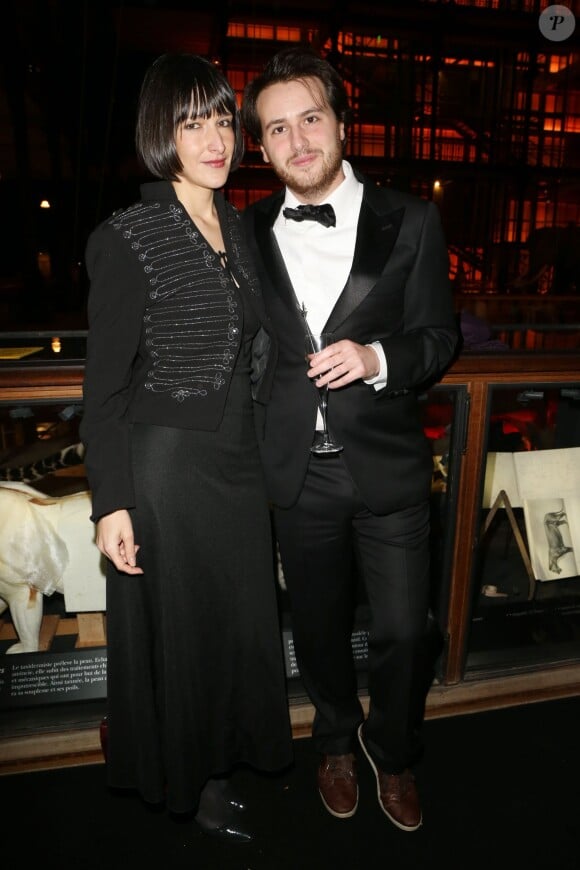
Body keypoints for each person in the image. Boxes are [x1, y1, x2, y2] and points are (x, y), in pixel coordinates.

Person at [241, 46, 459, 832]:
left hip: (390, 465)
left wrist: (378, 358)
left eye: (309, 118)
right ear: (260, 147)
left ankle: (392, 750)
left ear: (339, 121)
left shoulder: (415, 218)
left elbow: (439, 337)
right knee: (318, 627)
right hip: (297, 473)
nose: (297, 141)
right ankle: (334, 735)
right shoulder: (247, 230)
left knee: (408, 630)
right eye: (276, 129)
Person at [80, 53, 293, 844]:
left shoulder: (241, 225)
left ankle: (228, 756)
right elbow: (102, 389)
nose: (212, 138)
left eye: (219, 120)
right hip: (167, 467)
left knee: (241, 625)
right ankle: (195, 781)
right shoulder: (128, 236)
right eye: (190, 121)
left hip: (238, 462)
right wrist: (113, 503)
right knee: (189, 632)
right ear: (159, 133)